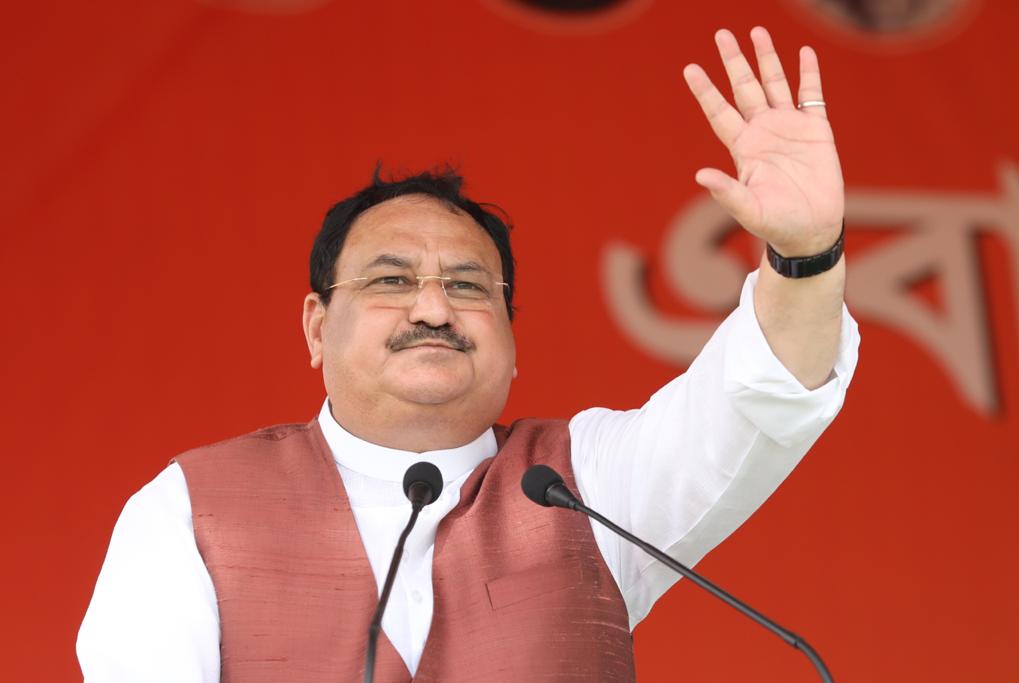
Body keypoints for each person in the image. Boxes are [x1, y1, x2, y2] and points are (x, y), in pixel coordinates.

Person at [77, 27, 859, 682]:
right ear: (317, 326)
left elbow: (758, 395)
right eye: (392, 279)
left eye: (467, 285)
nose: (432, 308)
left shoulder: (584, 487)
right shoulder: (190, 508)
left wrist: (806, 254)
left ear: (512, 340)